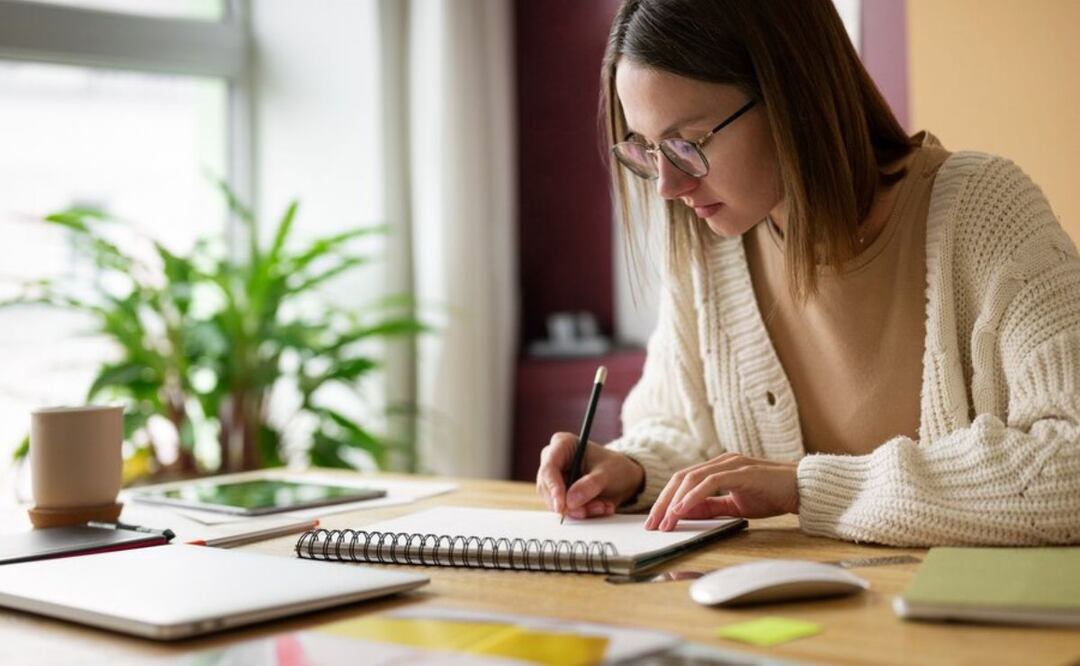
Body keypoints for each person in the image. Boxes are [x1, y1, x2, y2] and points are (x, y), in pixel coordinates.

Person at [535, 0, 1080, 547]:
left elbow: (1070, 463)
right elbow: (681, 427)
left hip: (959, 623)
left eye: (687, 144)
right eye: (648, 150)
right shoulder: (710, 247)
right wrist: (631, 465)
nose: (667, 187)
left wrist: (807, 487)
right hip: (788, 622)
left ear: (792, 95)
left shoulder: (986, 211)